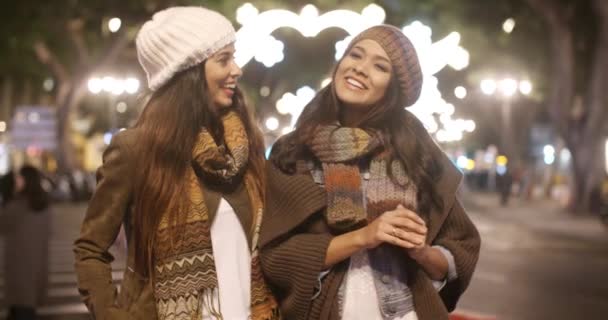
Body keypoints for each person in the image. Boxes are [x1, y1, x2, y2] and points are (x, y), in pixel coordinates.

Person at [260, 25, 481, 320]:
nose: (361, 69)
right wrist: (364, 236)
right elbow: (277, 256)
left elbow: (459, 251)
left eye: (380, 67)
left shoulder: (418, 153)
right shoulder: (294, 151)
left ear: (394, 88)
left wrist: (422, 252)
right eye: (356, 55)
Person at [73, 6, 279, 320]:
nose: (236, 69)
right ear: (189, 73)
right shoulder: (137, 149)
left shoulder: (243, 146)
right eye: (223, 59)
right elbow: (90, 249)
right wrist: (112, 314)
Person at [0, 166, 51, 320]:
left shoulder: (16, 206)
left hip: (19, 271)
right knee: (27, 309)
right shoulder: (43, 206)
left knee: (21, 310)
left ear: (27, 181)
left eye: (19, 178)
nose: (16, 182)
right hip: (36, 268)